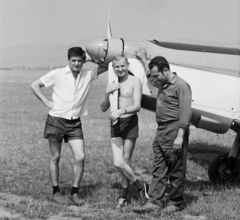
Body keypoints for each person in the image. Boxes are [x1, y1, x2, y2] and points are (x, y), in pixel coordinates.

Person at [31, 47, 107, 205]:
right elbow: (35, 85)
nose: (77, 63)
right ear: (68, 60)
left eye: (80, 60)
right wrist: (47, 102)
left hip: (74, 123)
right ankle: (56, 192)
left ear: (83, 61)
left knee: (80, 157)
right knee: (55, 157)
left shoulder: (88, 74)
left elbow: (106, 65)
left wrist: (91, 59)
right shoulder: (57, 74)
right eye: (73, 60)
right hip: (56, 120)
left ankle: (75, 193)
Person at [134, 47, 192, 214]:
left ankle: (175, 203)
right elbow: (150, 75)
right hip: (161, 131)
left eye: (157, 75)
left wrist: (180, 136)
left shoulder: (181, 86)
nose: (154, 79)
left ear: (166, 70)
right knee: (159, 168)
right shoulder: (163, 81)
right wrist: (144, 59)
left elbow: (186, 113)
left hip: (175, 130)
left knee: (176, 168)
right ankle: (154, 202)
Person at [100, 54, 149, 209]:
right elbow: (102, 107)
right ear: (113, 68)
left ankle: (123, 196)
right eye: (117, 67)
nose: (120, 69)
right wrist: (107, 92)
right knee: (118, 162)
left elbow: (137, 106)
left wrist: (121, 111)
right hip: (115, 124)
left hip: (130, 123)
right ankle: (141, 186)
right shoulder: (113, 83)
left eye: (122, 66)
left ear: (127, 65)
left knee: (126, 161)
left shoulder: (135, 81)